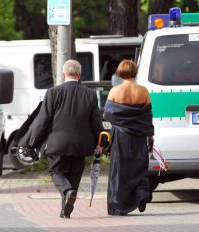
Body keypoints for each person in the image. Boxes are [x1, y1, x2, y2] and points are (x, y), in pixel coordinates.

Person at [28, 59, 104, 218]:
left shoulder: (52, 93)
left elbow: (43, 120)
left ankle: (68, 193)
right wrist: (101, 143)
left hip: (58, 143)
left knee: (56, 171)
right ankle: (65, 209)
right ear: (80, 74)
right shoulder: (90, 94)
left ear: (64, 74)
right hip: (81, 145)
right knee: (74, 175)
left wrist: (33, 142)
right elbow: (96, 122)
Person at [103, 59, 154, 216]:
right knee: (138, 169)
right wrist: (150, 135)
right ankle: (141, 194)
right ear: (135, 71)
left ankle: (118, 205)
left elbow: (108, 115)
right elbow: (147, 115)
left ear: (120, 72)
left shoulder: (114, 91)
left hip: (121, 136)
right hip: (139, 136)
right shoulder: (143, 91)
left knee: (120, 171)